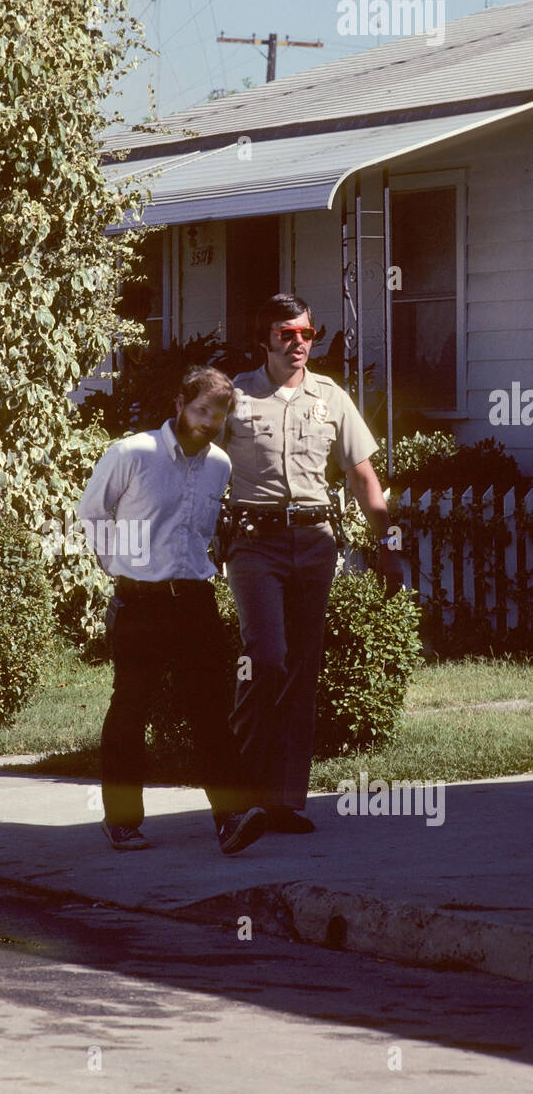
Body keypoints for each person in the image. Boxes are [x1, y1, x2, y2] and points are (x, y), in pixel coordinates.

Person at [224, 294, 403, 835]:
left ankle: (283, 803)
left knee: (302, 669)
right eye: (286, 334)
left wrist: (389, 546)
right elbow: (197, 462)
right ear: (266, 339)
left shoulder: (331, 398)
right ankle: (240, 794)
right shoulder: (236, 396)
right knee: (267, 657)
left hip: (315, 542)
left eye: (306, 333)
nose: (298, 343)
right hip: (255, 544)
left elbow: (364, 478)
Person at [78, 365, 266, 856]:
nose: (208, 422)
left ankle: (231, 818)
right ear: (180, 404)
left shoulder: (219, 465)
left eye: (218, 415)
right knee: (130, 710)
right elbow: (93, 513)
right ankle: (121, 821)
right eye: (202, 410)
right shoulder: (133, 453)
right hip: (140, 602)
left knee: (209, 712)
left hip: (196, 602)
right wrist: (120, 567)